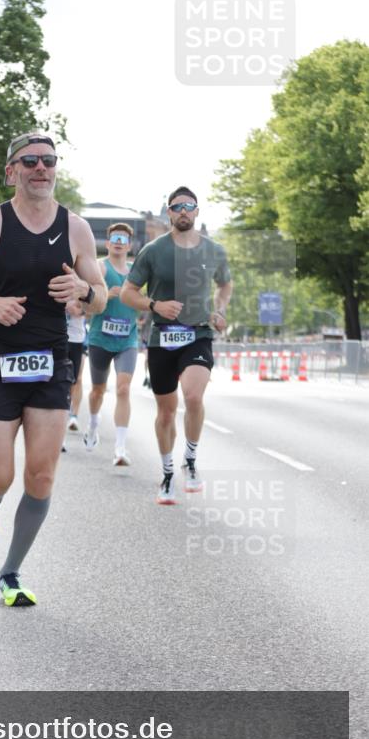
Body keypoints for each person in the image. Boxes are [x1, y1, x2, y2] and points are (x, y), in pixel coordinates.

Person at [0, 130, 107, 607]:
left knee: (41, 475)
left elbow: (100, 297)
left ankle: (10, 572)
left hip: (52, 361)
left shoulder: (76, 228)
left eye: (49, 161)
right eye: (30, 161)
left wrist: (82, 290)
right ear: (12, 170)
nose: (41, 168)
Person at [121, 187, 233, 504]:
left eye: (189, 206)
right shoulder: (154, 250)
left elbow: (225, 283)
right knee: (167, 412)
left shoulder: (214, 250)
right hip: (162, 337)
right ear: (169, 213)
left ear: (197, 212)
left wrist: (221, 309)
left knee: (194, 397)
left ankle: (191, 460)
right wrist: (155, 304)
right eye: (177, 207)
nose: (183, 211)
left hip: (198, 333)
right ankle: (168, 473)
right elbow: (129, 292)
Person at [84, 223, 139, 466]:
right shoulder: (99, 267)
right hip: (100, 338)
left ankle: (120, 448)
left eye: (123, 238)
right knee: (98, 391)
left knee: (123, 389)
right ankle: (93, 425)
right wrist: (107, 293)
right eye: (114, 238)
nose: (118, 241)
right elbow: (87, 302)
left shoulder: (135, 272)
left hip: (128, 338)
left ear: (129, 245)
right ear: (108, 243)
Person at [63, 298, 87, 440]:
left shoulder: (85, 279)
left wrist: (81, 309)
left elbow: (96, 307)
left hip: (78, 339)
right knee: (59, 380)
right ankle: (61, 422)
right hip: (57, 336)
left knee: (76, 379)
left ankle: (73, 415)